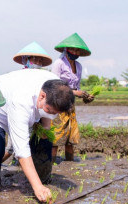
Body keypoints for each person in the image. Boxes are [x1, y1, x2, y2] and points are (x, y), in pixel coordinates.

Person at [0, 69, 75, 202]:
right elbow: (21, 151)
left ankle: (42, 179)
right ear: (42, 96)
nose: (52, 115)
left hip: (21, 105)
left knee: (44, 140)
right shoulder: (21, 102)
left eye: (55, 113)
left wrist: (45, 128)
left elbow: (49, 113)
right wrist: (37, 187)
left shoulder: (57, 86)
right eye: (49, 111)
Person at [2, 42, 53, 164]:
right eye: (34, 59)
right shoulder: (19, 77)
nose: (37, 62)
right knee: (12, 148)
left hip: (36, 118)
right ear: (26, 60)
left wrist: (44, 125)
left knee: (28, 145)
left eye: (40, 60)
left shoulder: (43, 78)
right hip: (19, 114)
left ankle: (21, 168)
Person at [51, 33, 94, 162]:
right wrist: (75, 93)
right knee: (56, 137)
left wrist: (86, 96)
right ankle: (50, 165)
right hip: (58, 103)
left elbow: (77, 87)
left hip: (70, 104)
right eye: (72, 49)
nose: (75, 52)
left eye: (77, 50)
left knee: (70, 137)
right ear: (66, 49)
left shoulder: (79, 66)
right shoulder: (59, 63)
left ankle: (70, 163)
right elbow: (53, 85)